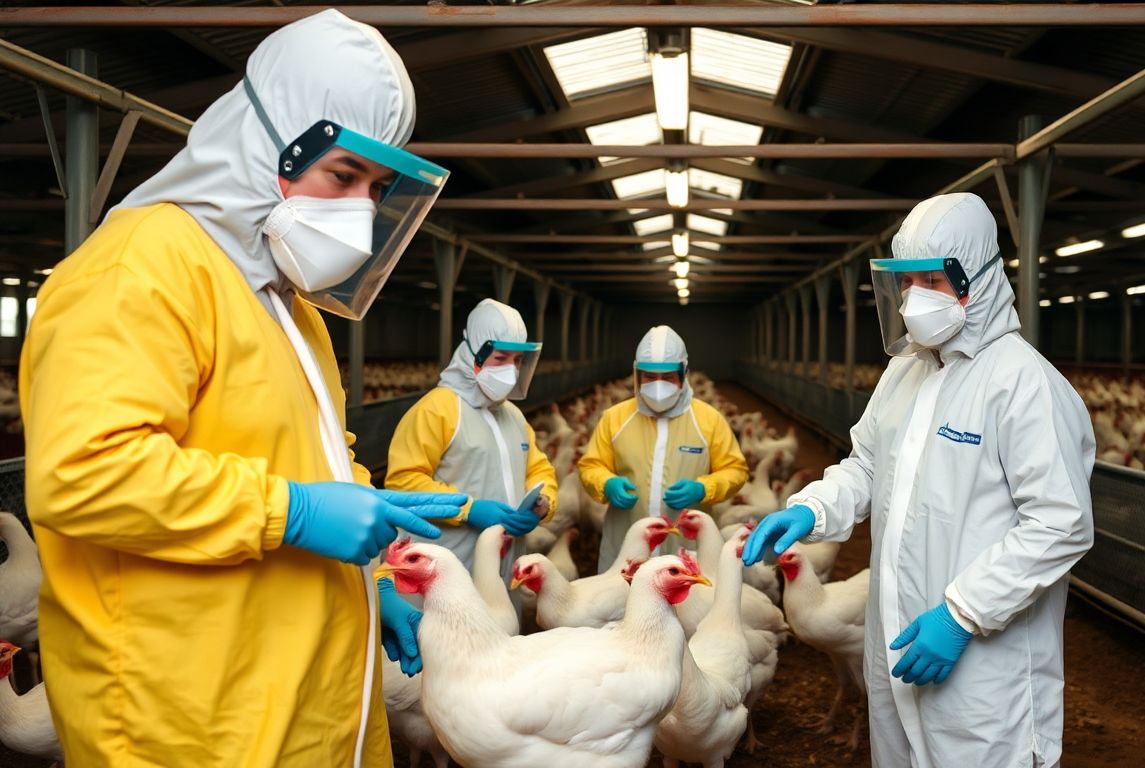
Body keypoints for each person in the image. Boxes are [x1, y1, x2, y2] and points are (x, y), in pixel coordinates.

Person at [18, 10, 465, 767]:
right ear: (271, 146)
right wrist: (289, 512)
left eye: (377, 186)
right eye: (344, 174)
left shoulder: (287, 303)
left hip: (303, 694)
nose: (359, 207)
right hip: (189, 714)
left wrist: (372, 574)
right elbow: (82, 474)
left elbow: (321, 455)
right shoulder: (140, 268)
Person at [743, 193, 1095, 767]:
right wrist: (810, 509)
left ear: (975, 279)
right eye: (906, 282)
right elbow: (866, 465)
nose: (914, 298)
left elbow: (1061, 524)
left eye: (932, 279)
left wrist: (963, 613)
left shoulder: (1022, 383)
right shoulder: (904, 371)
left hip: (983, 666)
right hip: (894, 643)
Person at [384, 298, 557, 589]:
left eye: (517, 361)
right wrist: (467, 508)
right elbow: (403, 481)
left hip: (504, 567)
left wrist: (543, 503)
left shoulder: (513, 416)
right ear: (472, 354)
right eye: (500, 359)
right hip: (449, 566)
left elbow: (538, 469)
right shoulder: (437, 409)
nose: (510, 371)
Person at [578, 325, 748, 571]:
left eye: (668, 377)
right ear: (637, 375)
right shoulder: (615, 418)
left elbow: (736, 470)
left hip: (685, 544)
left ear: (683, 374)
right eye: (649, 376)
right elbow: (591, 466)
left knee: (687, 601)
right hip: (627, 544)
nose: (658, 385)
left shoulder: (708, 420)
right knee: (622, 603)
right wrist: (607, 483)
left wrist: (704, 488)